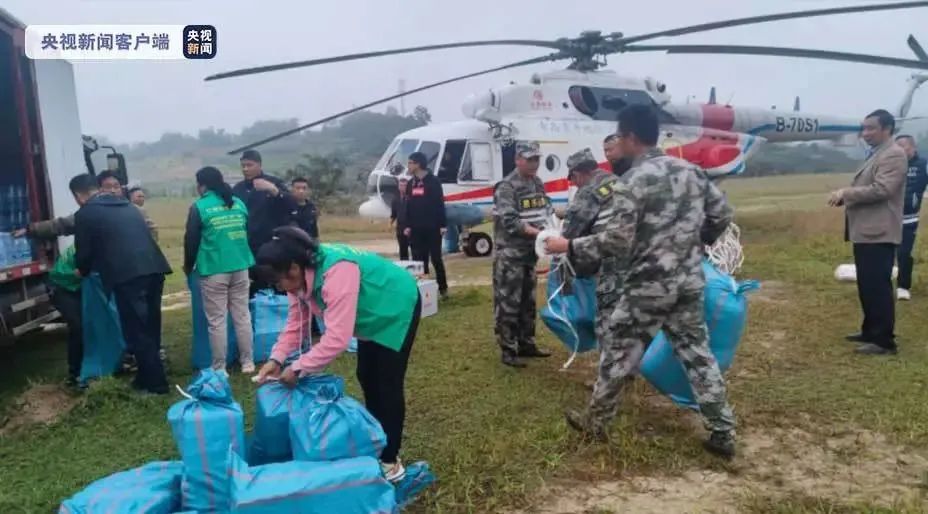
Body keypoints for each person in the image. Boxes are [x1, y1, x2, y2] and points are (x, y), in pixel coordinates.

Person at [545, 105, 737, 458]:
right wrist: (696, 242)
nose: (618, 143)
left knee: (616, 351)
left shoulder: (635, 179)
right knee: (697, 354)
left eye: (619, 137)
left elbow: (617, 239)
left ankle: (596, 422)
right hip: (689, 281)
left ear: (632, 137)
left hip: (647, 286)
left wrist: (568, 245)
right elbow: (722, 214)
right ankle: (723, 431)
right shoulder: (691, 171)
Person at [254, 227, 422, 483]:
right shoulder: (297, 280)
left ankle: (390, 461)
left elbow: (337, 340)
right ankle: (376, 441)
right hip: (368, 313)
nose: (280, 288)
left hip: (395, 304)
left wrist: (298, 368)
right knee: (366, 375)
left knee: (386, 383)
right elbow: (296, 323)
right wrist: (276, 359)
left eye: (279, 282)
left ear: (294, 268)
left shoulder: (336, 272)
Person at [70, 173, 172, 394]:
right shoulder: (125, 204)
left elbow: (84, 253)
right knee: (151, 326)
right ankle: (146, 376)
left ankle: (156, 384)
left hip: (128, 275)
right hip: (154, 268)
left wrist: (82, 270)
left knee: (137, 330)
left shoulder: (85, 213)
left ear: (78, 196)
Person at [828, 109, 907, 356]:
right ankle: (870, 330)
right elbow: (869, 186)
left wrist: (846, 193)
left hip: (879, 231)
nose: (865, 133)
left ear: (887, 129)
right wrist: (845, 199)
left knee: (877, 286)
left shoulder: (893, 154)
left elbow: (882, 189)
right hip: (866, 231)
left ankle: (884, 341)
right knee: (867, 284)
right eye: (864, 128)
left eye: (871, 128)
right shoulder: (877, 154)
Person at [561, 148, 627, 390]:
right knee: (627, 317)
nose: (574, 184)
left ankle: (608, 380)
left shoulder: (588, 190)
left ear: (579, 174)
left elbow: (571, 231)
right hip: (636, 258)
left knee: (606, 320)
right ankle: (627, 370)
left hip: (612, 261)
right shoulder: (616, 181)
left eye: (573, 179)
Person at [183, 166, 256, 373]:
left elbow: (191, 241)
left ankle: (219, 367)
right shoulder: (238, 203)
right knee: (242, 316)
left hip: (214, 269)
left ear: (202, 185)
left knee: (217, 321)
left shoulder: (200, 207)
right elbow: (246, 233)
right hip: (241, 266)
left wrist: (188, 267)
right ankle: (247, 363)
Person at [492, 141, 554, 368]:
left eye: (536, 159)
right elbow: (510, 222)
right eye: (529, 159)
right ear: (517, 159)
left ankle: (526, 343)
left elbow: (544, 210)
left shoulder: (537, 183)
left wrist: (550, 227)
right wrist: (541, 234)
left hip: (530, 254)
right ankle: (508, 349)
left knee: (528, 302)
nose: (534, 163)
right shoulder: (507, 186)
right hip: (510, 255)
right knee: (509, 303)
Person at [232, 149, 297, 293]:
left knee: (274, 284)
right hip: (246, 245)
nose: (246, 169)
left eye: (249, 165)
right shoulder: (238, 189)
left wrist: (274, 191)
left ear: (259, 165)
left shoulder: (274, 183)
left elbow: (292, 205)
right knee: (249, 287)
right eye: (243, 166)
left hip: (271, 245)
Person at [403, 152, 448, 298]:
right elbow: (408, 206)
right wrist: (407, 225)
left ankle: (443, 289)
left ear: (418, 164)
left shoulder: (433, 181)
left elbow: (439, 204)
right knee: (419, 260)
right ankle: (425, 291)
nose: (408, 166)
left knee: (435, 258)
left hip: (433, 227)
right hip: (416, 228)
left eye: (410, 163)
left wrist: (442, 224)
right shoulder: (411, 183)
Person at [894, 135, 928, 301]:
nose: (900, 150)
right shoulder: (891, 163)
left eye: (903, 146)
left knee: (904, 253)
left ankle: (903, 286)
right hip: (887, 218)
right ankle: (882, 283)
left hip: (909, 218)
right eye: (897, 147)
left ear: (913, 147)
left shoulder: (923, 165)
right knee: (885, 252)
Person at [49, 243, 84, 388]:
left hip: (79, 288)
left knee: (90, 325)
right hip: (63, 290)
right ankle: (75, 373)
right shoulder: (81, 249)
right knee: (78, 327)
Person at [391, 177, 411, 260]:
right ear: (398, 187)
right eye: (401, 185)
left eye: (405, 185)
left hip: (411, 227)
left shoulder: (411, 199)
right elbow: (394, 214)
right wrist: (390, 223)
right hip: (400, 228)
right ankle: (404, 268)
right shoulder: (395, 200)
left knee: (415, 250)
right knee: (403, 250)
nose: (403, 187)